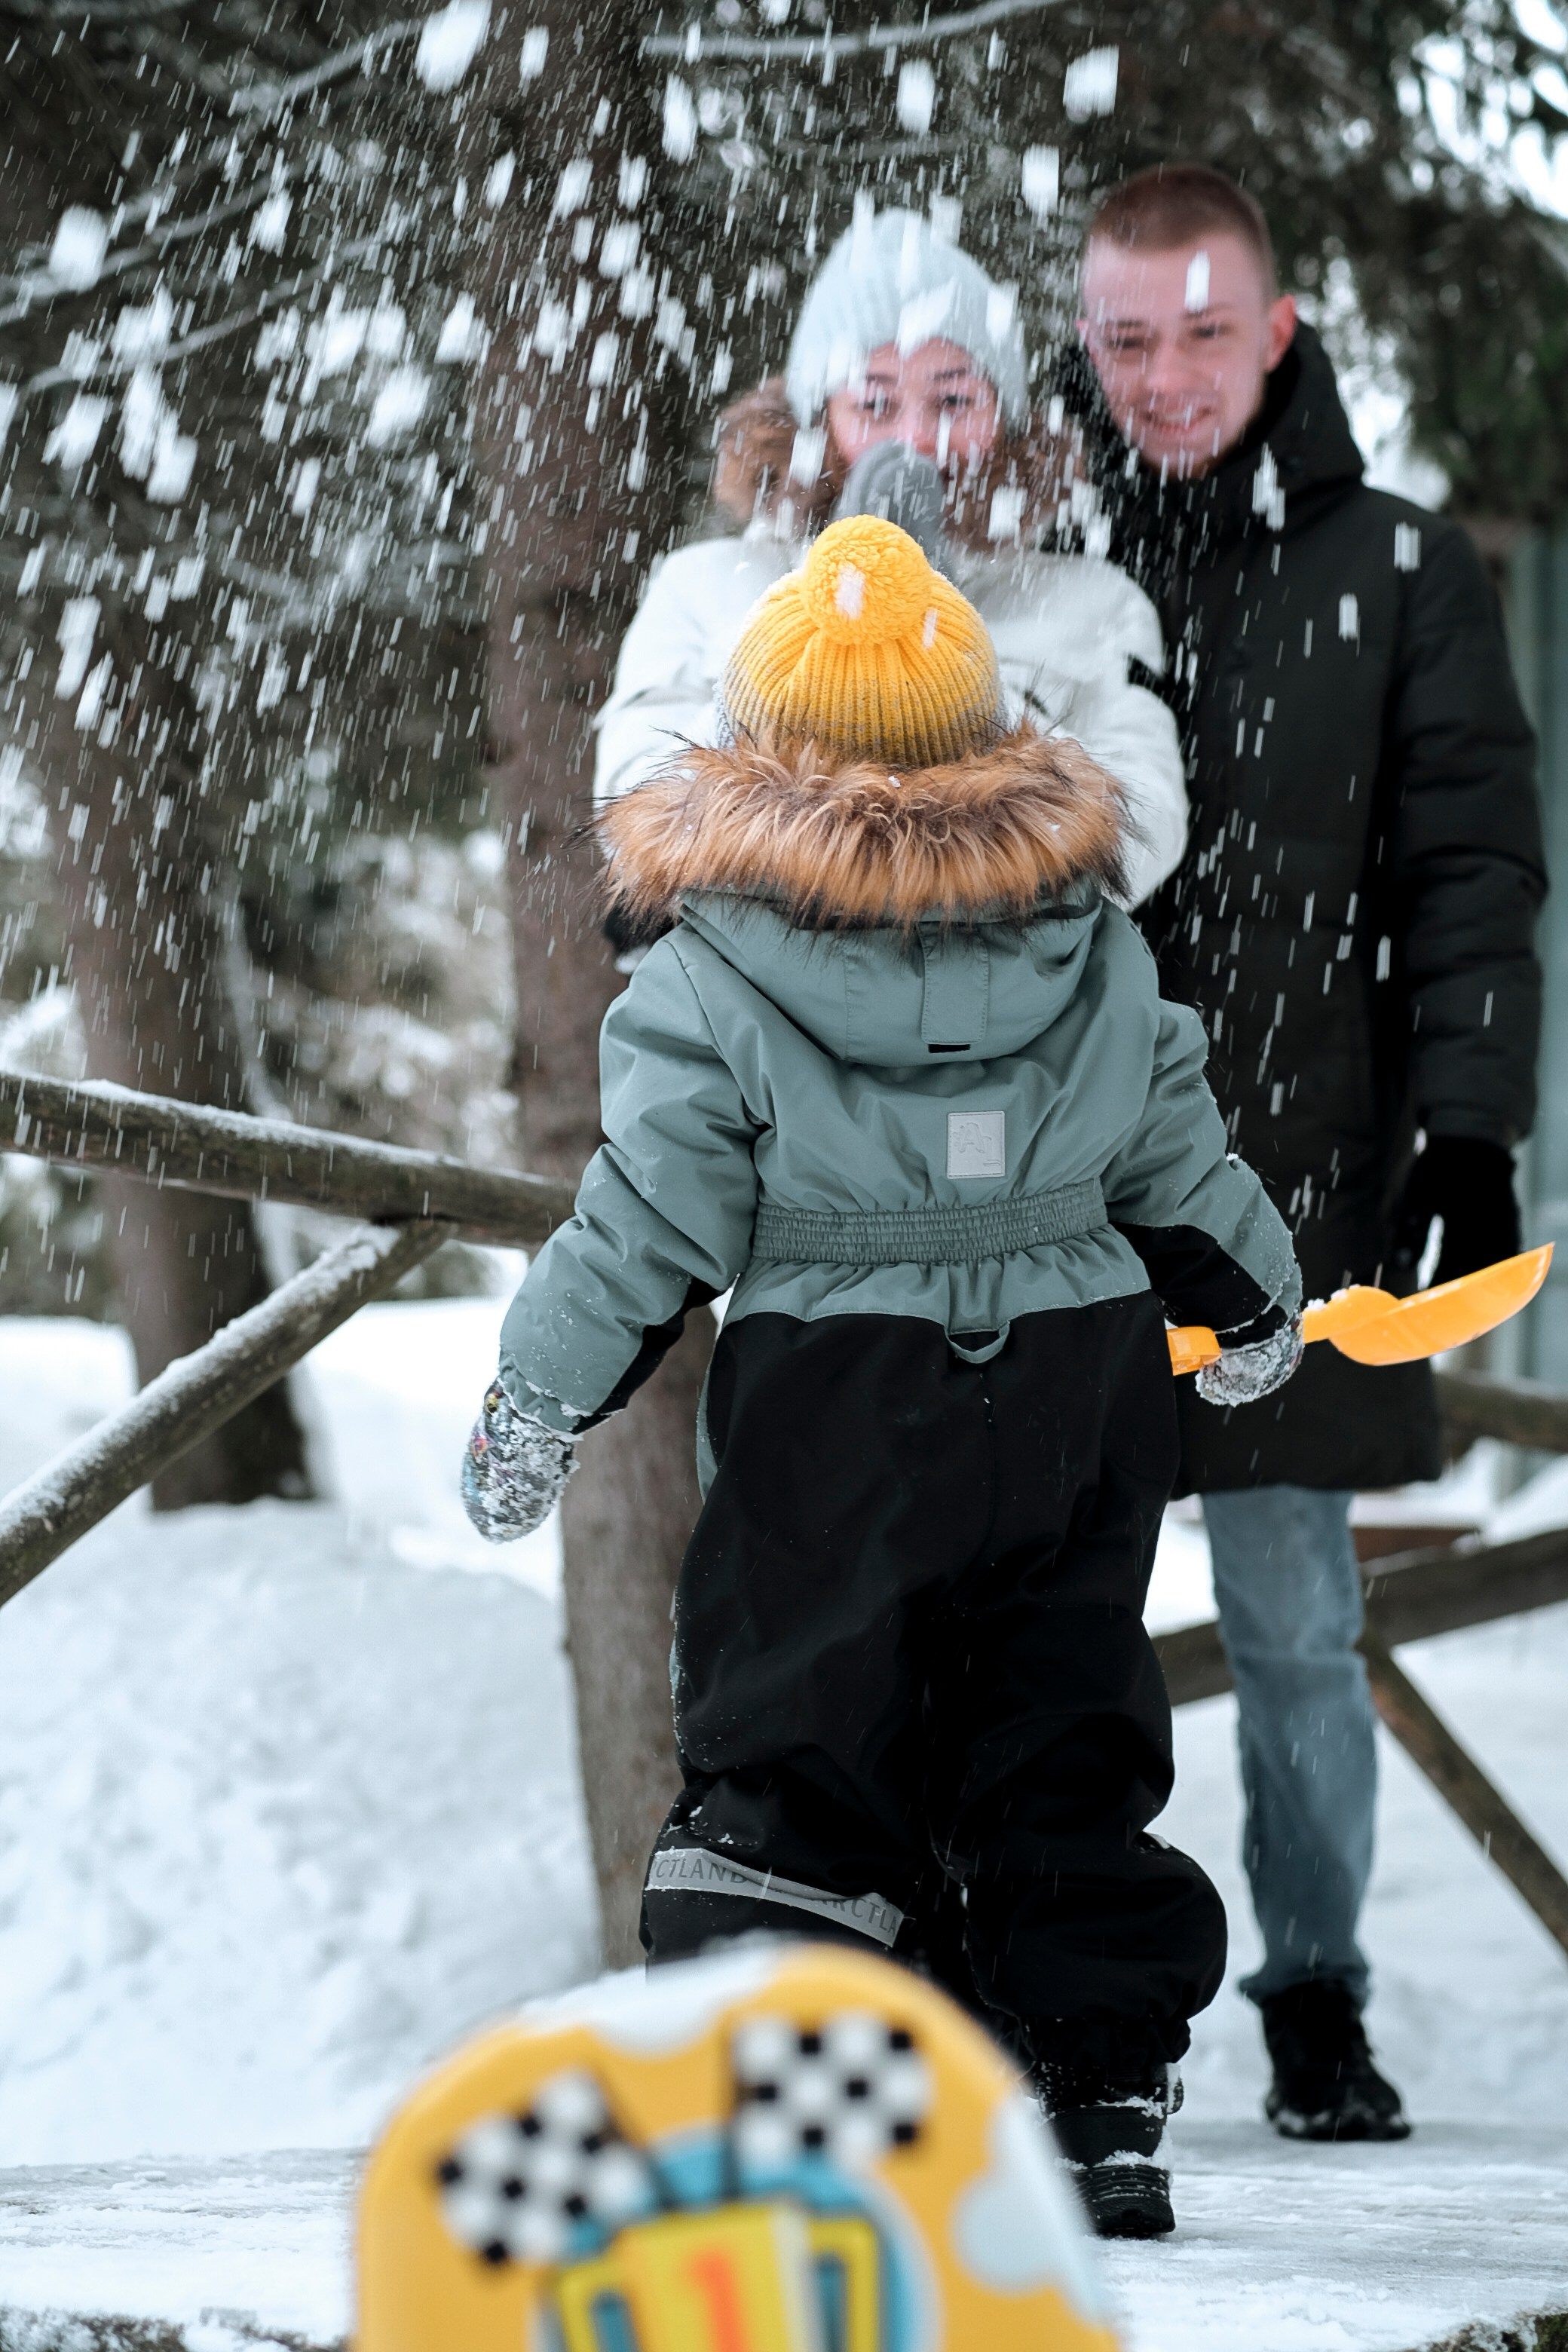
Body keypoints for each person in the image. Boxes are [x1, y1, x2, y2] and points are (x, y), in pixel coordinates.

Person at [458, 509, 1304, 2238]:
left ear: (767, 744)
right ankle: (1093, 2080)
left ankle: (786, 2063)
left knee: (799, 1724)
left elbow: (642, 1223)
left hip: (836, 1402)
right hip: (1076, 1393)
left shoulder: (710, 968)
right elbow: (1180, 1155)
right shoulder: (1086, 936)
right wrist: (1263, 1299)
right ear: (984, 735)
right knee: (1056, 1717)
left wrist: (537, 1394)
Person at [1070, 162, 1546, 2142]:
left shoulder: (1415, 575)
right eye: (1126, 342)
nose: (1167, 376)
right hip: (1053, 1200)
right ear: (1087, 351)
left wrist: (1474, 1129)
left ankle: (1316, 2000)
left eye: (1202, 332)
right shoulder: (1043, 567)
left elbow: (1468, 874)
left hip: (1303, 1200)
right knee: (1049, 1631)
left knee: (1294, 1626)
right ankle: (1073, 2005)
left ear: (1276, 330)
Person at [596, 202, 1189, 916]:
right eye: (875, 402)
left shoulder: (1096, 601)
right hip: (764, 1003)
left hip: (1009, 1001)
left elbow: (1146, 829)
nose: (916, 438)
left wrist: (972, 691)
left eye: (953, 399)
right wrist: (803, 674)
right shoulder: (703, 586)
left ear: (1004, 421)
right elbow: (634, 803)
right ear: (819, 422)